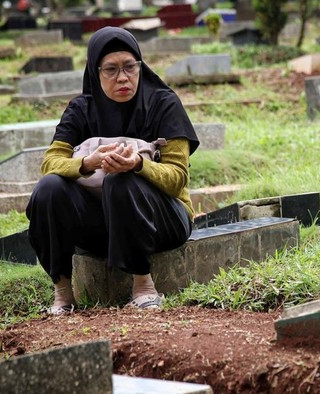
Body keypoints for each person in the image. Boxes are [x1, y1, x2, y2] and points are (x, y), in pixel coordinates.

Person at [26, 26, 199, 315]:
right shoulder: (81, 110)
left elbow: (177, 178)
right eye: (111, 69)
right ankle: (62, 294)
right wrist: (86, 163)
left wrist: (140, 165)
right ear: (95, 72)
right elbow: (50, 163)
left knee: (122, 181)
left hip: (164, 221)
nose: (123, 77)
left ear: (140, 66)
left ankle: (143, 286)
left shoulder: (163, 104)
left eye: (130, 67)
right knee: (49, 189)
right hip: (101, 227)